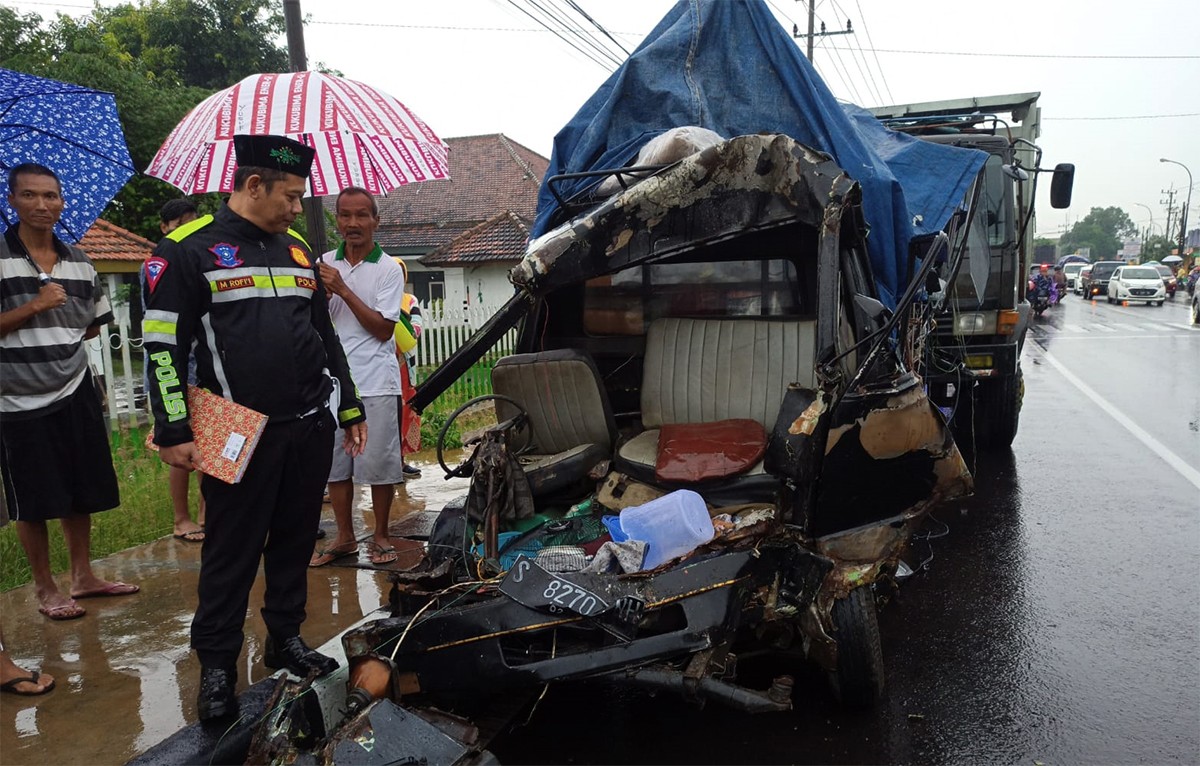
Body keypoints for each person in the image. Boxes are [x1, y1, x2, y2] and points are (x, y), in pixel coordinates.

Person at [142, 135, 367, 721]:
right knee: (231, 552)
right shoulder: (188, 251)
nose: (299, 209)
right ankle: (216, 667)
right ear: (252, 186)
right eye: (291, 196)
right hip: (234, 427)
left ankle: (284, 639)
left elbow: (325, 335)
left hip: (307, 424)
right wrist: (172, 428)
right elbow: (162, 346)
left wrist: (348, 408)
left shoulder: (296, 252)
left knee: (296, 539)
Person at [0, 163, 138, 623]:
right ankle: (45, 585)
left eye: (51, 196)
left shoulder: (78, 259)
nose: (42, 205)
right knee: (35, 496)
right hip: (16, 398)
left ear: (62, 201)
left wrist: (56, 334)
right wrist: (34, 307)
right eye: (30, 196)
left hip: (75, 386)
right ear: (12, 200)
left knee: (83, 487)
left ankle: (83, 575)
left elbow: (92, 327)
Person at [310, 187, 407, 568]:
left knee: (378, 466)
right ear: (336, 220)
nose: (353, 223)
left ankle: (381, 534)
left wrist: (342, 289)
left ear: (375, 221)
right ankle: (345, 536)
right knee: (336, 465)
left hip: (375, 381)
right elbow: (317, 321)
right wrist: (321, 289)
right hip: (332, 383)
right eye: (345, 215)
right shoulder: (321, 263)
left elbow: (383, 329)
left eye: (361, 215)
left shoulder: (388, 268)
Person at [156, 198, 206, 543]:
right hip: (174, 371)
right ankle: (180, 518)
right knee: (179, 445)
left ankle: (206, 513)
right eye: (179, 224)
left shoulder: (197, 257)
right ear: (165, 227)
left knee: (209, 447)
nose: (185, 229)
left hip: (202, 366)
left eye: (192, 223)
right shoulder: (160, 262)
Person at [392, 258, 423, 476]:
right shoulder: (375, 299)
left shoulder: (409, 301)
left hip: (404, 366)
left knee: (404, 410)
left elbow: (416, 329)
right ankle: (385, 465)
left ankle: (400, 462)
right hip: (380, 365)